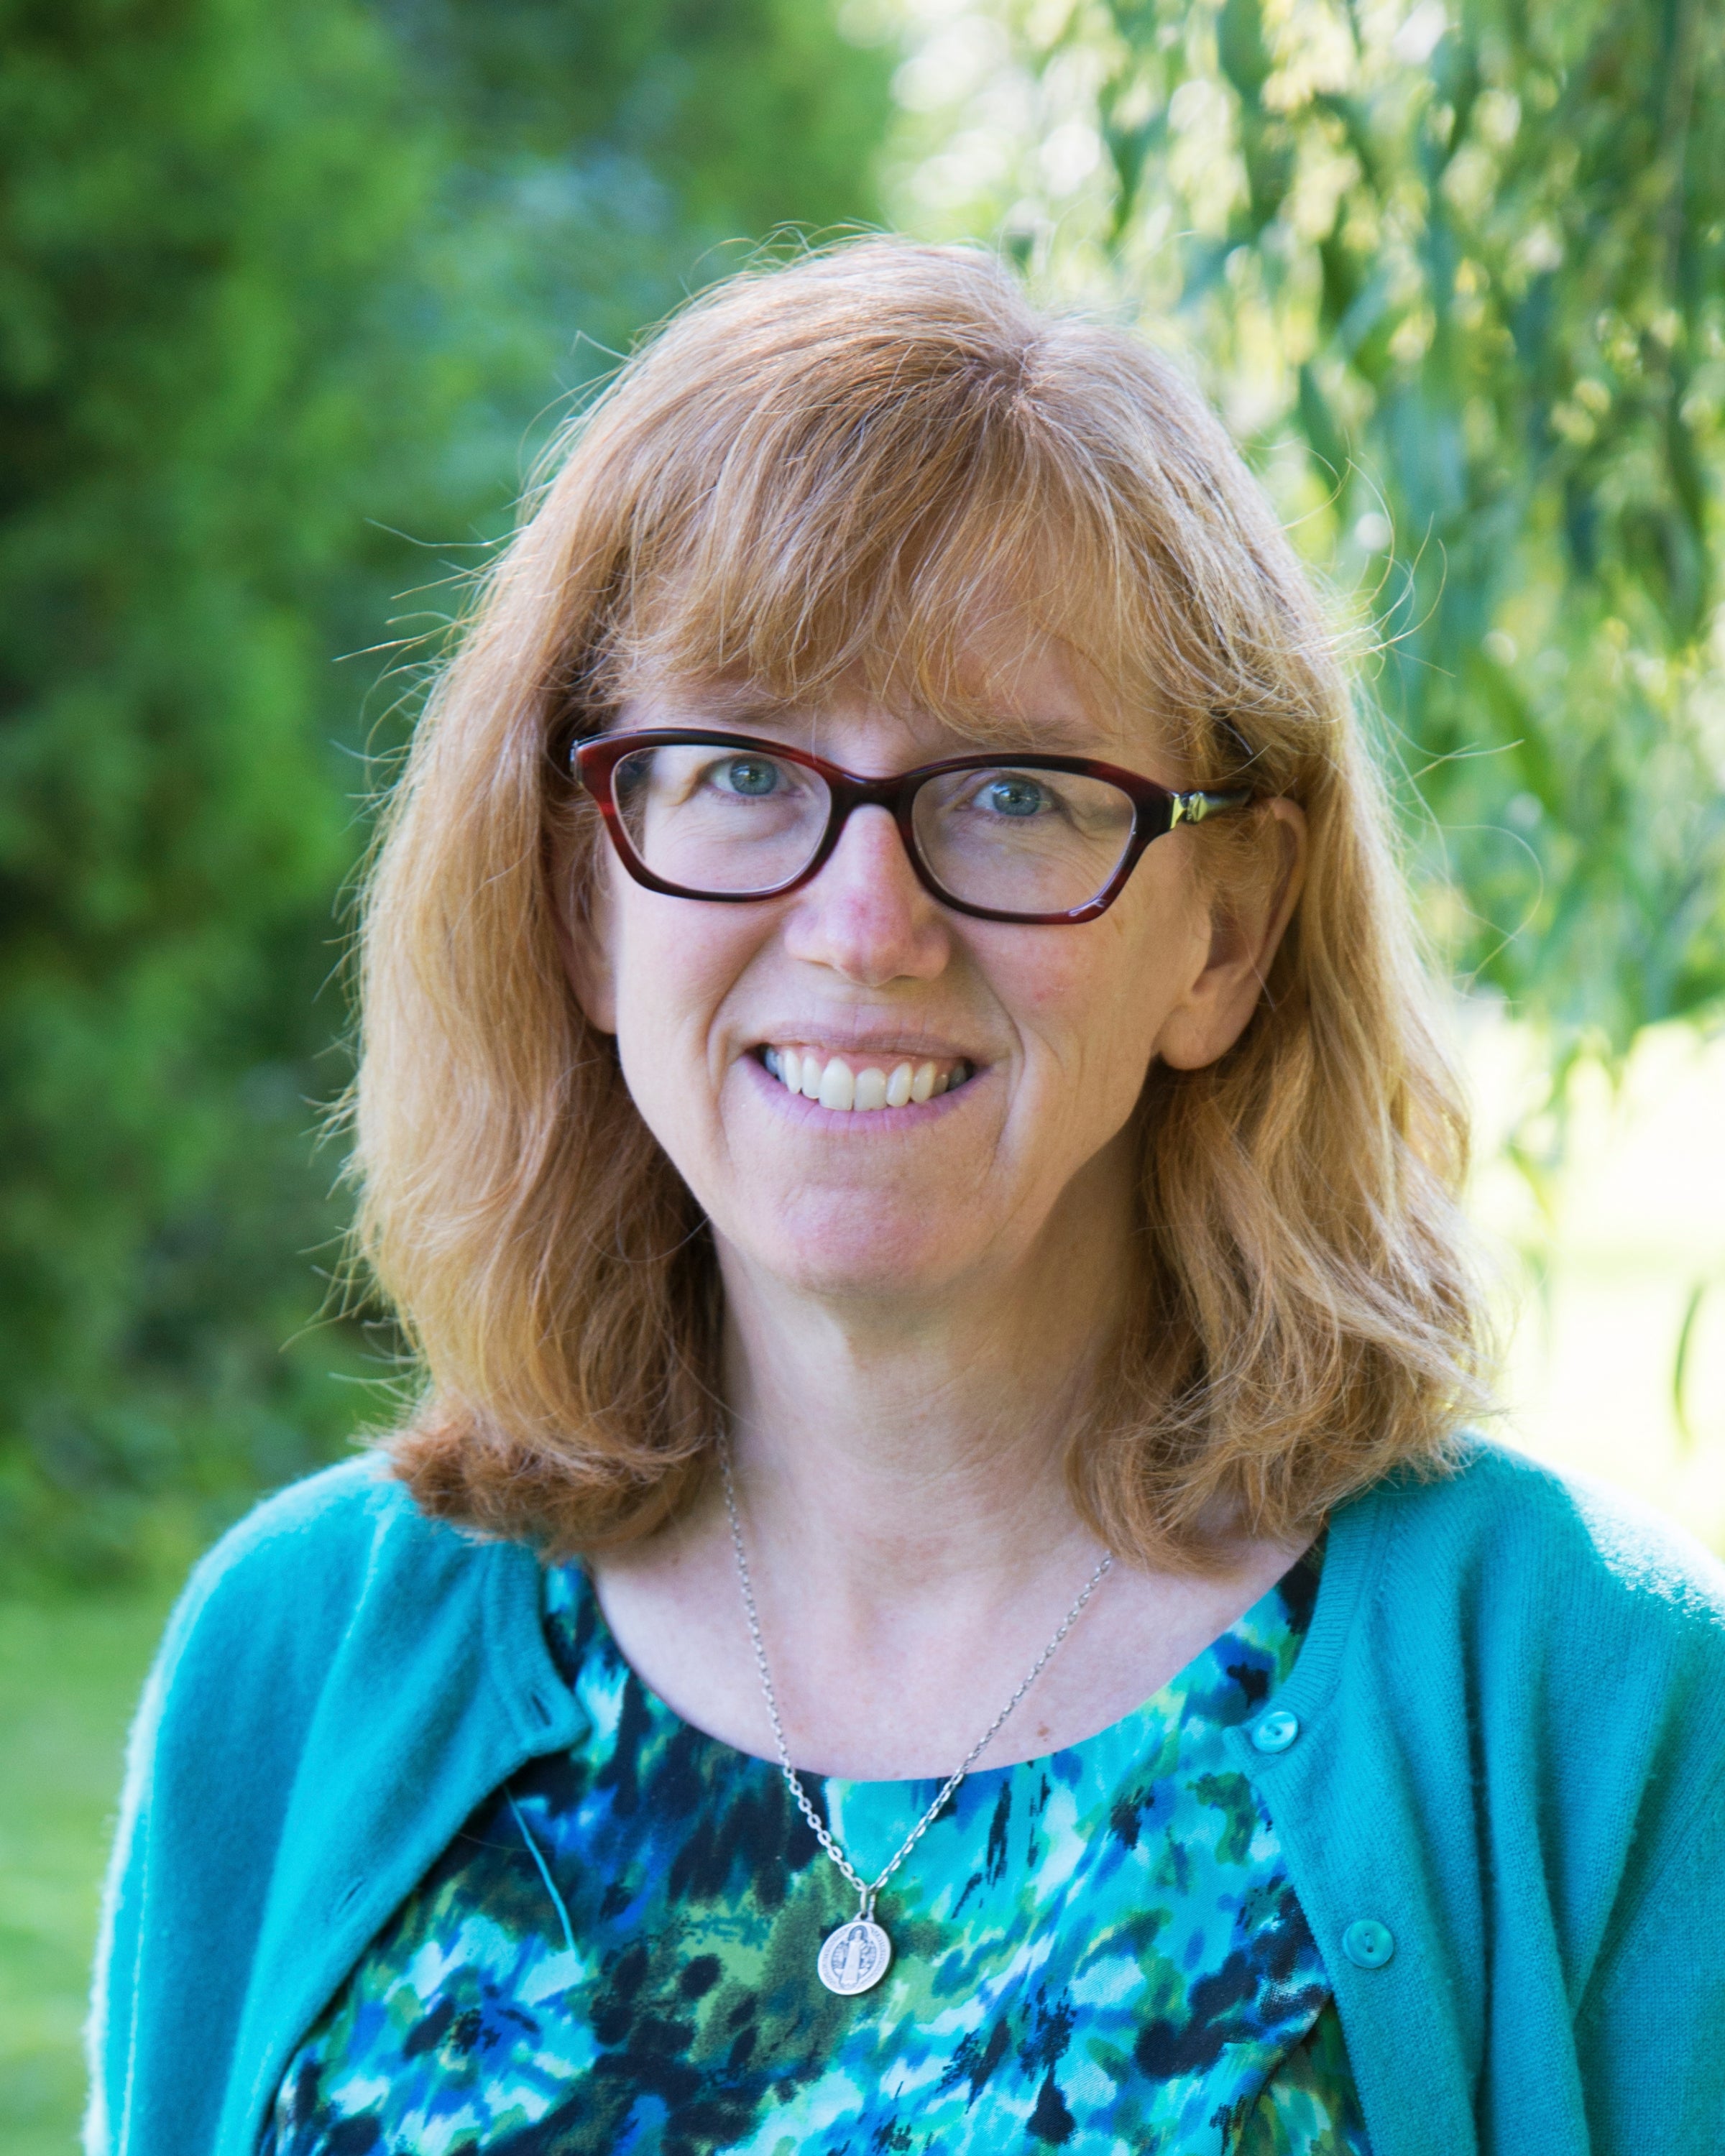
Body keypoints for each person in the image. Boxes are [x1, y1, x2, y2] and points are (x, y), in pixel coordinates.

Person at [88, 241, 1725, 2156]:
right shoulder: (292, 1664)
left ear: (1225, 931)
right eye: (738, 771)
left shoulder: (1587, 1707)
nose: (865, 928)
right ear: (578, 897)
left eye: (1014, 792)